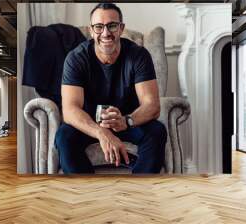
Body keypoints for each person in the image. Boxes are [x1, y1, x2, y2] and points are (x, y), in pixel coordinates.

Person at [55, 3, 167, 174]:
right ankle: (87, 193)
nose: (106, 33)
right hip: (90, 123)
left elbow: (152, 105)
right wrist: (102, 133)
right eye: (99, 27)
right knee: (64, 136)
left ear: (121, 28)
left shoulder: (138, 55)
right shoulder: (75, 58)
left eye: (112, 26)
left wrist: (126, 121)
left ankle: (140, 191)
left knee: (157, 131)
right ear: (91, 30)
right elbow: (70, 110)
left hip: (127, 121)